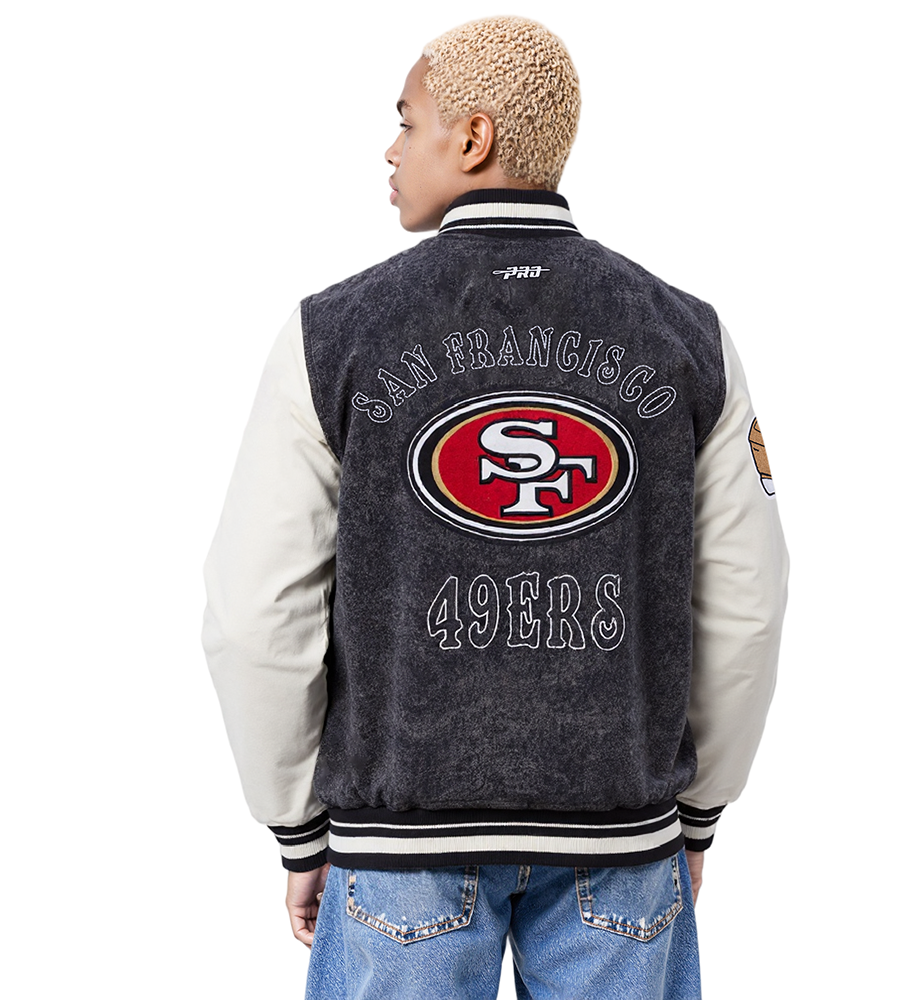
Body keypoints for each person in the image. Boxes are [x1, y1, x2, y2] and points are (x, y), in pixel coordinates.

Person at [203, 15, 789, 1000]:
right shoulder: (688, 337)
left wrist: (297, 824)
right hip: (621, 839)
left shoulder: (329, 337)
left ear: (471, 138)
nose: (390, 149)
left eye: (407, 121)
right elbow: (747, 605)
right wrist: (697, 812)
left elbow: (255, 614)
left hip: (400, 846)